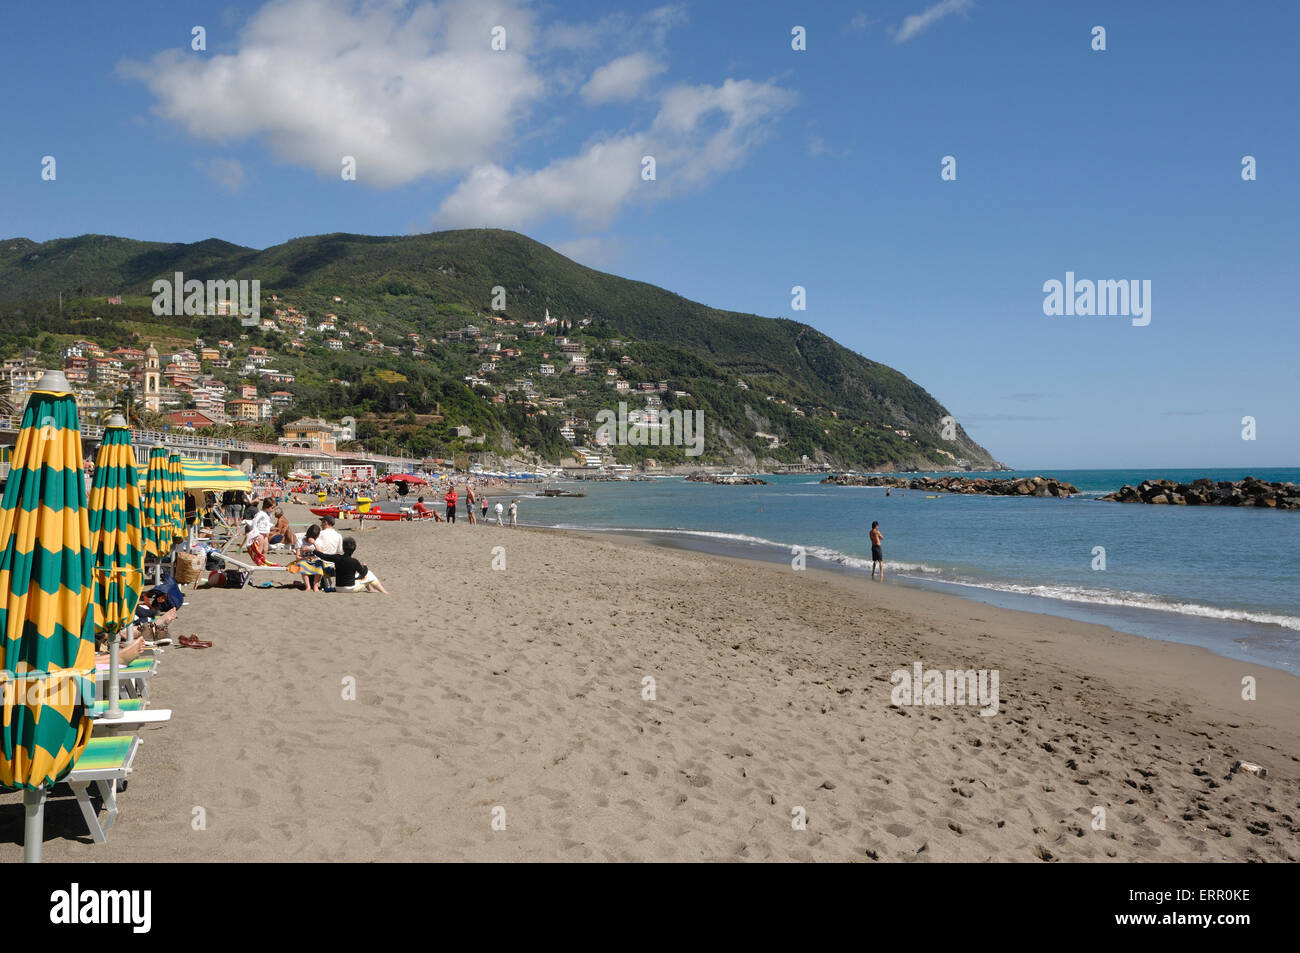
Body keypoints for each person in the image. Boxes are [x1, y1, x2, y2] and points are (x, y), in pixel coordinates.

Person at [318, 536, 389, 594]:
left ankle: (371, 589)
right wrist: (365, 566)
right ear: (354, 549)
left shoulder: (337, 557)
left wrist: (313, 550)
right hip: (350, 589)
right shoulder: (354, 561)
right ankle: (384, 592)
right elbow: (364, 573)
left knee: (357, 575)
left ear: (343, 549)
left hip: (338, 588)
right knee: (370, 574)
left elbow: (324, 556)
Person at [245, 499, 275, 564]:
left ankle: (263, 560)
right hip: (260, 533)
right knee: (260, 548)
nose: (273, 510)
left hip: (265, 533)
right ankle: (258, 561)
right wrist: (255, 530)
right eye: (272, 508)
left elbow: (267, 523)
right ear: (266, 506)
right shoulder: (261, 513)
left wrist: (269, 529)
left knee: (265, 548)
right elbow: (255, 521)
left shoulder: (268, 514)